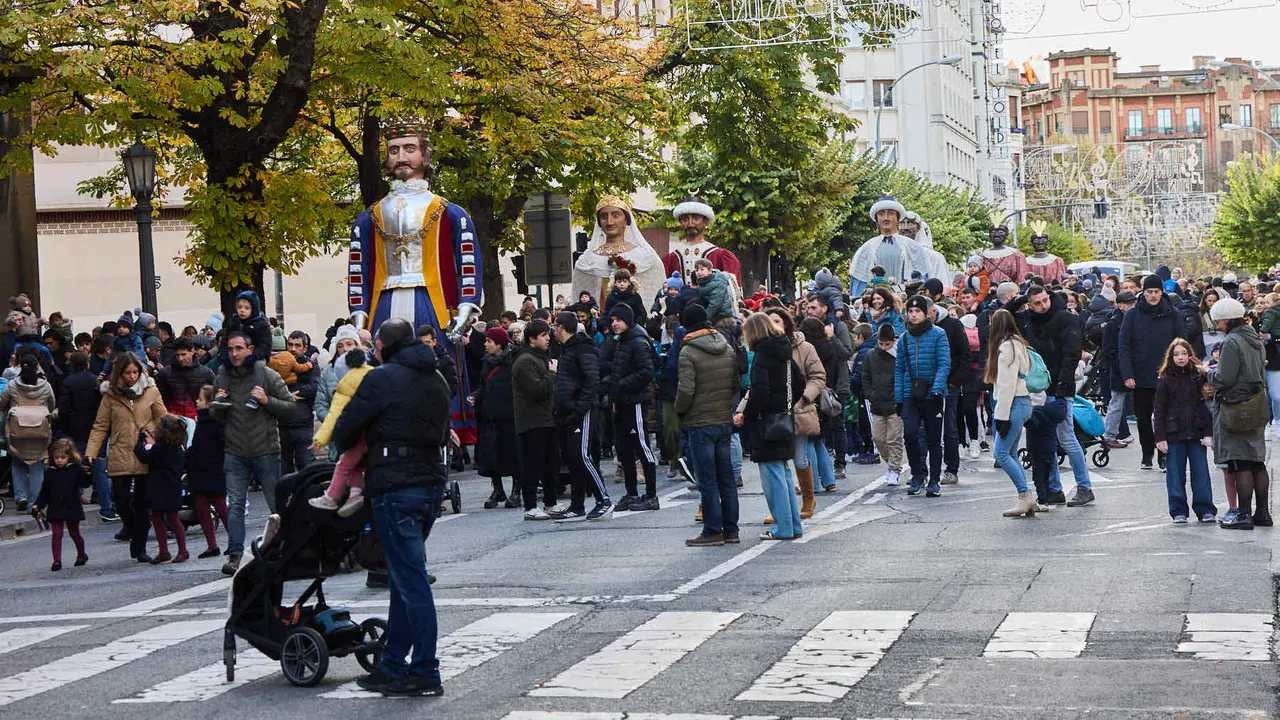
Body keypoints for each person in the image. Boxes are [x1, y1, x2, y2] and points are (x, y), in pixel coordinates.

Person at [332, 318, 451, 697]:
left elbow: (344, 430)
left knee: (411, 581)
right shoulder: (437, 378)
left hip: (395, 485)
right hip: (431, 483)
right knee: (404, 578)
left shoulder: (381, 378)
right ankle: (393, 665)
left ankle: (425, 670)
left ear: (383, 344)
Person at [346, 123, 482, 449]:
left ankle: (442, 434)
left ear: (424, 154)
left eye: (409, 148)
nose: (401, 156)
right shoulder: (371, 216)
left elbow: (468, 265)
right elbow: (358, 273)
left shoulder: (450, 212)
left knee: (434, 368)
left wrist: (465, 310)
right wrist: (359, 322)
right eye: (394, 150)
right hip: (385, 305)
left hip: (430, 304)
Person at [210, 332, 296, 576]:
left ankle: (284, 549)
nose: (234, 354)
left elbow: (290, 407)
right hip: (235, 451)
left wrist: (266, 400)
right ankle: (235, 556)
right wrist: (217, 404)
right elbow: (217, 417)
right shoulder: (222, 379)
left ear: (250, 349)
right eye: (230, 349)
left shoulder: (267, 375)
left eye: (239, 348)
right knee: (235, 505)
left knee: (275, 505)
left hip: (265, 450)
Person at [1007, 285, 1094, 507]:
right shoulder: (1027, 318)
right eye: (1036, 303)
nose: (1042, 305)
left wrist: (1064, 385)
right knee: (1046, 439)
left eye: (1045, 300)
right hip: (1036, 387)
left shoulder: (1064, 318)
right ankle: (1054, 488)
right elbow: (1003, 317)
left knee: (1066, 436)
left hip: (1058, 385)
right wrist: (1018, 300)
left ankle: (1084, 487)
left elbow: (1072, 352)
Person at [85, 353, 168, 562]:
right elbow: (100, 426)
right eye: (127, 373)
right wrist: (91, 453)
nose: (131, 377)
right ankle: (135, 529)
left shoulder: (151, 391)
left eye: (135, 372)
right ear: (119, 373)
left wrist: (167, 443)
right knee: (121, 502)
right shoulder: (111, 395)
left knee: (142, 504)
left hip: (145, 452)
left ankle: (140, 547)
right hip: (120, 451)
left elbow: (163, 419)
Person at [675, 303, 740, 546]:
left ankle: (713, 530)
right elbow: (735, 384)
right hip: (723, 418)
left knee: (707, 479)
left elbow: (686, 390)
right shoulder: (726, 347)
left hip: (700, 421)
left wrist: (680, 409)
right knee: (726, 478)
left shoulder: (688, 352)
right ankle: (731, 530)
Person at [738, 312, 804, 540]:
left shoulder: (761, 356)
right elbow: (799, 382)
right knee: (784, 473)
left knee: (773, 476)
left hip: (766, 421)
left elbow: (759, 391)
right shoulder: (784, 352)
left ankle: (783, 527)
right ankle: (793, 525)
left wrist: (747, 414)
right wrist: (786, 405)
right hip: (784, 417)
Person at [1206, 298, 1270, 530]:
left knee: (1240, 461)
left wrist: (1207, 373)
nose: (1217, 326)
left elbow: (1224, 378)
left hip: (1237, 406)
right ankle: (1262, 512)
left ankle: (1244, 514)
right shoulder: (1254, 337)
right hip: (1256, 403)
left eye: (1218, 322)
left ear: (1225, 320)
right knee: (1256, 461)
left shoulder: (1232, 342)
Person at [764, 308, 828, 518]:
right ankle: (782, 508)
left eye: (777, 321)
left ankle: (808, 498)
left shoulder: (804, 347)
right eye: (769, 321)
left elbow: (818, 376)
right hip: (774, 412)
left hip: (799, 410)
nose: (773, 326)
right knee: (778, 463)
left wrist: (806, 396)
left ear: (785, 324)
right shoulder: (763, 349)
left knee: (800, 460)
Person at [1120, 276, 1186, 470]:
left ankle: (1163, 454)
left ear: (1162, 292)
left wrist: (1180, 370)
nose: (1153, 295)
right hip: (1141, 374)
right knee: (1143, 417)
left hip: (1168, 374)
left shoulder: (1173, 314)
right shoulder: (1132, 315)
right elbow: (1124, 345)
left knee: (1165, 416)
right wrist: (1127, 374)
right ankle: (1147, 453)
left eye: (1156, 291)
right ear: (1143, 292)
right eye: (1149, 292)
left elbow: (1182, 344)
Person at [552, 312, 612, 522]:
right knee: (574, 459)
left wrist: (581, 408)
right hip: (569, 411)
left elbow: (592, 380)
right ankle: (577, 505)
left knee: (583, 456)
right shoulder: (567, 349)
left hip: (582, 411)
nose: (553, 331)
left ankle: (603, 500)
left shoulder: (583, 348)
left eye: (555, 326)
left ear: (561, 327)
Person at [603, 304, 660, 511]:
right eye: (612, 320)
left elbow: (646, 371)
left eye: (618, 319)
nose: (614, 324)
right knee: (624, 449)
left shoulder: (637, 342)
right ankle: (632, 493)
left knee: (642, 446)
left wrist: (621, 383)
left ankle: (651, 495)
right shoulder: (621, 342)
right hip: (621, 402)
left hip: (635, 401)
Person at [1153, 338, 1216, 523]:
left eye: (1184, 353)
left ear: (1190, 356)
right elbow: (1159, 410)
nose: (1180, 357)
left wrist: (1208, 432)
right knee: (1175, 474)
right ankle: (1178, 510)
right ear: (1171, 357)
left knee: (1201, 473)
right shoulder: (1165, 380)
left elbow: (1207, 407)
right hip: (1174, 433)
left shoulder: (1198, 377)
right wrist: (1160, 437)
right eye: (1176, 354)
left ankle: (1205, 509)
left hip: (1196, 432)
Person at [895, 295, 951, 497]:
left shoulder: (938, 334)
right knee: (909, 433)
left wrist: (937, 388)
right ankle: (918, 473)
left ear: (926, 313)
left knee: (933, 438)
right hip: (912, 393)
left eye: (917, 311)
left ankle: (934, 479)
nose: (914, 314)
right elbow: (899, 369)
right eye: (910, 311)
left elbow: (944, 363)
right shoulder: (904, 338)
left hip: (932, 393)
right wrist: (899, 398)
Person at [511, 319, 567, 520]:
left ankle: (550, 502)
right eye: (543, 335)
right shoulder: (525, 361)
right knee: (532, 464)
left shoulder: (543, 357)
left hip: (547, 418)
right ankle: (531, 506)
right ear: (532, 339)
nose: (548, 339)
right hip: (532, 421)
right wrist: (552, 374)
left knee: (551, 462)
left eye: (548, 334)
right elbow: (536, 390)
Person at [308, 349, 375, 516]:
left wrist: (319, 439)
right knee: (357, 466)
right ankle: (354, 494)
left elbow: (334, 415)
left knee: (344, 465)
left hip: (358, 435)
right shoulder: (373, 373)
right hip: (377, 433)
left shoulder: (345, 385)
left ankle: (332, 496)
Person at [923, 278, 973, 485]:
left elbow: (964, 355)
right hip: (925, 384)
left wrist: (955, 381)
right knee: (924, 429)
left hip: (949, 384)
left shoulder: (952, 325)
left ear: (933, 311)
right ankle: (924, 470)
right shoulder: (919, 328)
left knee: (949, 427)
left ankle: (951, 468)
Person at [987, 309, 1036, 516]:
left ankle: (1025, 495)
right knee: (1011, 452)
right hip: (1023, 402)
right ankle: (1027, 497)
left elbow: (1006, 385)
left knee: (1001, 453)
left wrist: (1001, 416)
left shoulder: (1006, 348)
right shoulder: (1019, 344)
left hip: (1012, 403)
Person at [58, 351, 116, 520]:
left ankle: (72, 506)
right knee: (100, 471)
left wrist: (64, 427)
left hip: (75, 431)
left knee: (73, 467)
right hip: (96, 430)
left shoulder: (68, 382)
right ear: (87, 364)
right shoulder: (95, 381)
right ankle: (106, 508)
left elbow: (64, 409)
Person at [471, 327, 522, 510]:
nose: (485, 345)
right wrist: (475, 397)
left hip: (509, 417)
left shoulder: (512, 361)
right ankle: (498, 489)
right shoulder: (486, 362)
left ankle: (517, 491)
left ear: (499, 344)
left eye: (489, 342)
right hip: (490, 415)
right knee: (491, 454)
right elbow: (483, 385)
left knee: (513, 454)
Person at [1, 351, 56, 512]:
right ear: (37, 367)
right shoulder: (45, 386)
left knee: (17, 463)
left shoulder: (12, 385)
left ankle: (21, 496)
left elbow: (3, 403)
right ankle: (34, 502)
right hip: (40, 431)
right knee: (37, 465)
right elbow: (52, 406)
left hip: (17, 431)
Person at [806, 294, 853, 480]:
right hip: (815, 384)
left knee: (836, 423)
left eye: (814, 307)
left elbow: (846, 353)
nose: (810, 311)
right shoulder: (808, 328)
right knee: (816, 427)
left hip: (836, 383)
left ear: (825, 308)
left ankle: (840, 463)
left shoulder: (837, 326)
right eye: (808, 308)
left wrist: (831, 338)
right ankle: (821, 466)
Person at [848, 196, 933, 294]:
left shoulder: (913, 247)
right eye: (881, 214)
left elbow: (923, 280)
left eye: (891, 213)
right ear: (876, 219)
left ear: (897, 218)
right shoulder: (866, 249)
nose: (886, 218)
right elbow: (858, 284)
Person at [134, 415, 190, 564]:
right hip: (172, 485)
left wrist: (139, 443)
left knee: (158, 517)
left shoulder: (160, 448)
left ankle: (165, 551)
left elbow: (145, 457)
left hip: (158, 485)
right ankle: (181, 550)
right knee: (172, 517)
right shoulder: (177, 447)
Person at [34, 438, 91, 571]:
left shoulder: (75, 470)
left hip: (72, 505)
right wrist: (38, 505)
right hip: (55, 506)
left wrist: (88, 472)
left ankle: (81, 555)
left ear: (69, 457)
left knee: (74, 533)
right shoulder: (50, 472)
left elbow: (85, 483)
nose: (59, 460)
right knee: (57, 534)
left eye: (63, 457)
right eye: (56, 457)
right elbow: (45, 492)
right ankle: (57, 560)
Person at [187, 386, 229, 557]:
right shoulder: (202, 420)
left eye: (201, 399)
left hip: (213, 469)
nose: (197, 401)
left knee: (220, 506)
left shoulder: (215, 422)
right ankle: (212, 545)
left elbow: (222, 445)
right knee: (202, 507)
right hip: (199, 469)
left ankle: (233, 541)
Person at [863, 324, 905, 486]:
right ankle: (889, 462)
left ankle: (894, 469)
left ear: (893, 341)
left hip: (894, 403)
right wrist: (870, 394)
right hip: (877, 403)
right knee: (878, 438)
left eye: (887, 344)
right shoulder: (870, 356)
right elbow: (865, 376)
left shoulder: (898, 356)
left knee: (894, 438)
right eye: (881, 343)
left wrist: (899, 397)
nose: (884, 347)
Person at [272, 331, 318, 475]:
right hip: (281, 424)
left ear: (305, 348)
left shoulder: (310, 366)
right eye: (290, 345)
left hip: (303, 424)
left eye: (297, 345)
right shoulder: (278, 364)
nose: (293, 349)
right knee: (283, 469)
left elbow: (315, 387)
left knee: (306, 466)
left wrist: (293, 393)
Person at [1101, 291, 1138, 448]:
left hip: (1131, 367)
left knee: (1119, 402)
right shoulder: (1114, 323)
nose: (1132, 306)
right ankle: (1109, 435)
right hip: (1119, 369)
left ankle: (1111, 434)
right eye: (1129, 304)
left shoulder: (1132, 320)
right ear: (1121, 305)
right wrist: (1121, 367)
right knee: (1116, 403)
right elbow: (1108, 350)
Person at [693, 259, 735, 327]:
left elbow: (715, 304)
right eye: (697, 270)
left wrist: (704, 319)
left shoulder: (718, 283)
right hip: (711, 311)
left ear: (710, 271)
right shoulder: (702, 283)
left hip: (721, 314)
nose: (699, 272)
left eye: (702, 269)